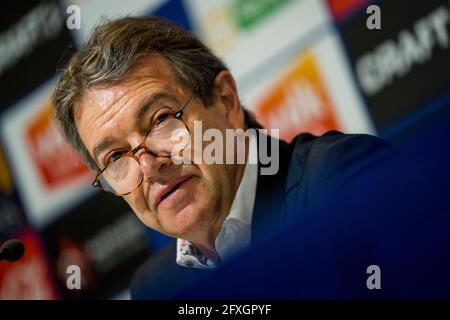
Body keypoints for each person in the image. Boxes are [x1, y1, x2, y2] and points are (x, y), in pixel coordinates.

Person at [52, 17, 391, 299]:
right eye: (115, 157)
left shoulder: (340, 182)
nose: (148, 165)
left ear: (225, 101)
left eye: (160, 119)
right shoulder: (155, 287)